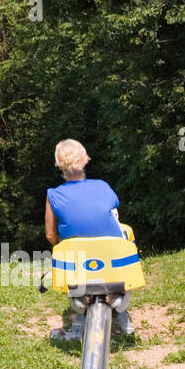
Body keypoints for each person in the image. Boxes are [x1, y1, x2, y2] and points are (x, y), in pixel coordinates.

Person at [44, 138, 133, 337]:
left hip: (77, 257)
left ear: (59, 164)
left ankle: (80, 305)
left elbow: (50, 234)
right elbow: (112, 214)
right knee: (127, 231)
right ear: (85, 160)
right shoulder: (102, 186)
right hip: (112, 250)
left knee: (64, 249)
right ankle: (123, 299)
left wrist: (61, 245)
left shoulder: (53, 195)